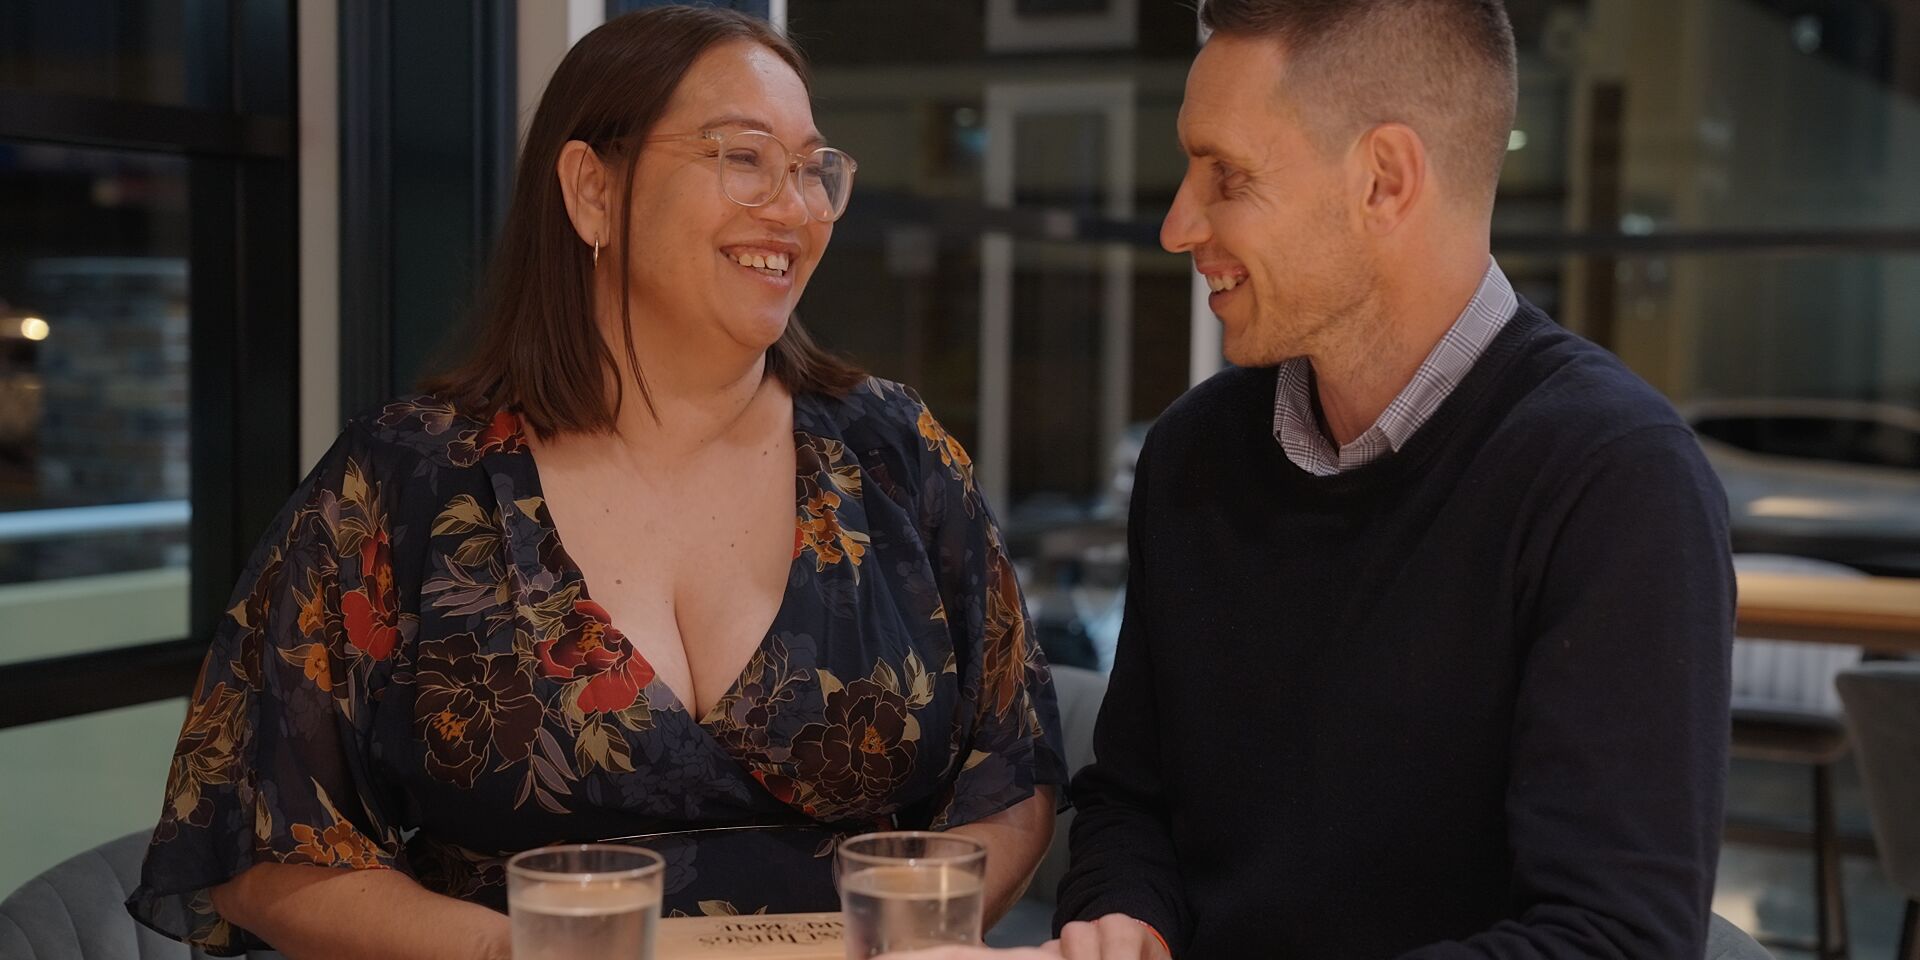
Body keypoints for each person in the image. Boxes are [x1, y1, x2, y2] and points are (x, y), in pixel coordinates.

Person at [128, 8, 1066, 958]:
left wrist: (903, 943)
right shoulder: (405, 480)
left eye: (815, 170)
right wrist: (516, 953)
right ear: (592, 191)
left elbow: (1013, 775)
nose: (795, 208)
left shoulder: (892, 452)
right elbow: (261, 840)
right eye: (744, 157)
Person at [889, 1, 1734, 958]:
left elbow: (1615, 941)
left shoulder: (1614, 482)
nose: (1177, 224)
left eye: (1227, 175)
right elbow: (1131, 802)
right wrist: (1121, 919)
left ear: (1384, 180)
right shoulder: (1195, 455)